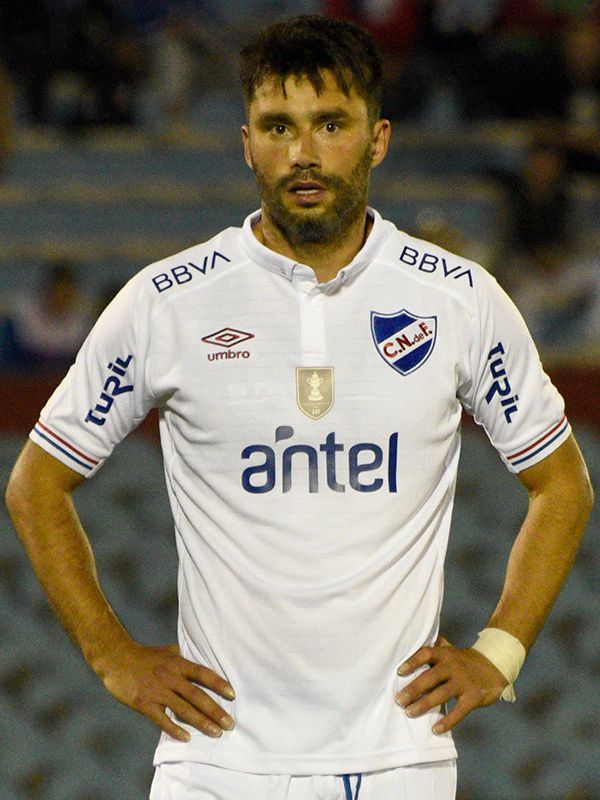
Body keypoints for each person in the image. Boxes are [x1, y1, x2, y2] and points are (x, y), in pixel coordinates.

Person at [5, 15, 594, 800]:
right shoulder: (166, 301)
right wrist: (112, 654)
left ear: (377, 139)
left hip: (400, 763)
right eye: (280, 126)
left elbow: (563, 486)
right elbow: (34, 486)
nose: (305, 153)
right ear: (247, 141)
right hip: (214, 763)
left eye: (331, 125)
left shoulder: (457, 299)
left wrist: (500, 652)